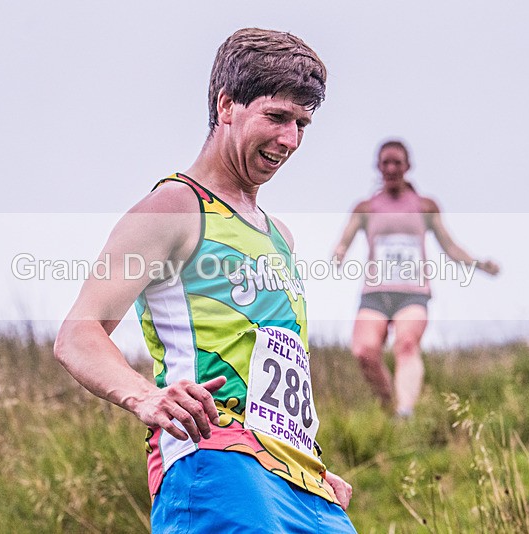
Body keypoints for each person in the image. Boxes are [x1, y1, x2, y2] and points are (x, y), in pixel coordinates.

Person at [54, 28, 356, 533]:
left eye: (302, 123)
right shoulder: (173, 208)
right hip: (216, 464)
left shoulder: (280, 234)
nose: (290, 140)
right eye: (277, 117)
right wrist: (144, 396)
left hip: (303, 484)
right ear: (226, 105)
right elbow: (77, 334)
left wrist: (307, 459)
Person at [334, 139, 500, 418]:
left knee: (407, 344)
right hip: (375, 293)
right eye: (385, 162)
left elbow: (450, 246)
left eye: (396, 162)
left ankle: (405, 412)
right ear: (378, 166)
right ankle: (389, 404)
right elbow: (344, 239)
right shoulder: (365, 208)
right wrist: (339, 253)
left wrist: (478, 264)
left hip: (413, 293)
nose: (391, 167)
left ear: (407, 166)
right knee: (364, 350)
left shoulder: (425, 206)